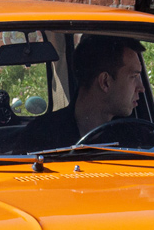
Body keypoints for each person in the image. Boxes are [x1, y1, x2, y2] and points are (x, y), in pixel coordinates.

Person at [15, 35, 146, 152]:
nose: (141, 88)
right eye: (134, 76)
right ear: (105, 82)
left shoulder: (138, 139)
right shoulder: (39, 137)